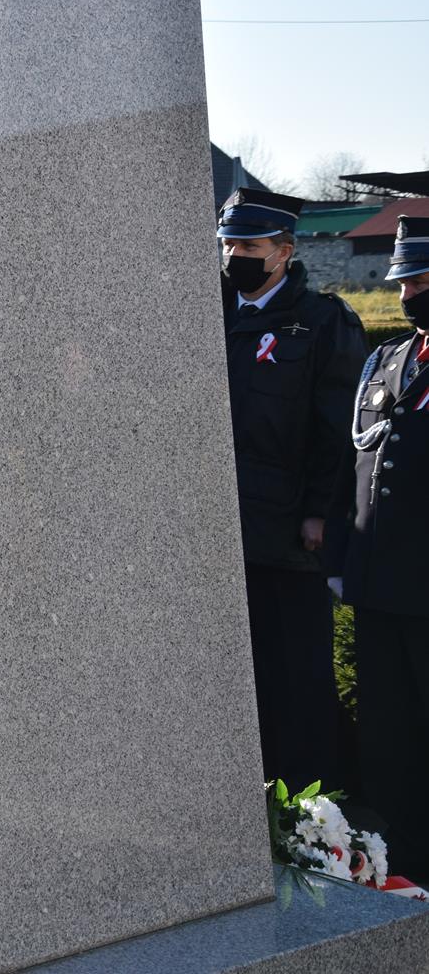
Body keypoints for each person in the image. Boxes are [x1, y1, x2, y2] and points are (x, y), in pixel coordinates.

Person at [218, 186, 364, 792]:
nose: (233, 256)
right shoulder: (209, 313)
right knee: (234, 671)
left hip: (287, 532)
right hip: (217, 525)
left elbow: (339, 429)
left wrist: (318, 514)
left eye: (247, 244)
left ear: (283, 250)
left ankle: (310, 803)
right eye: (227, 243)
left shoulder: (324, 322)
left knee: (296, 671)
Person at [339, 215, 429, 881]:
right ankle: (400, 864)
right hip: (378, 590)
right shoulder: (385, 360)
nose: (408, 293)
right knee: (388, 738)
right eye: (403, 281)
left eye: (422, 279)